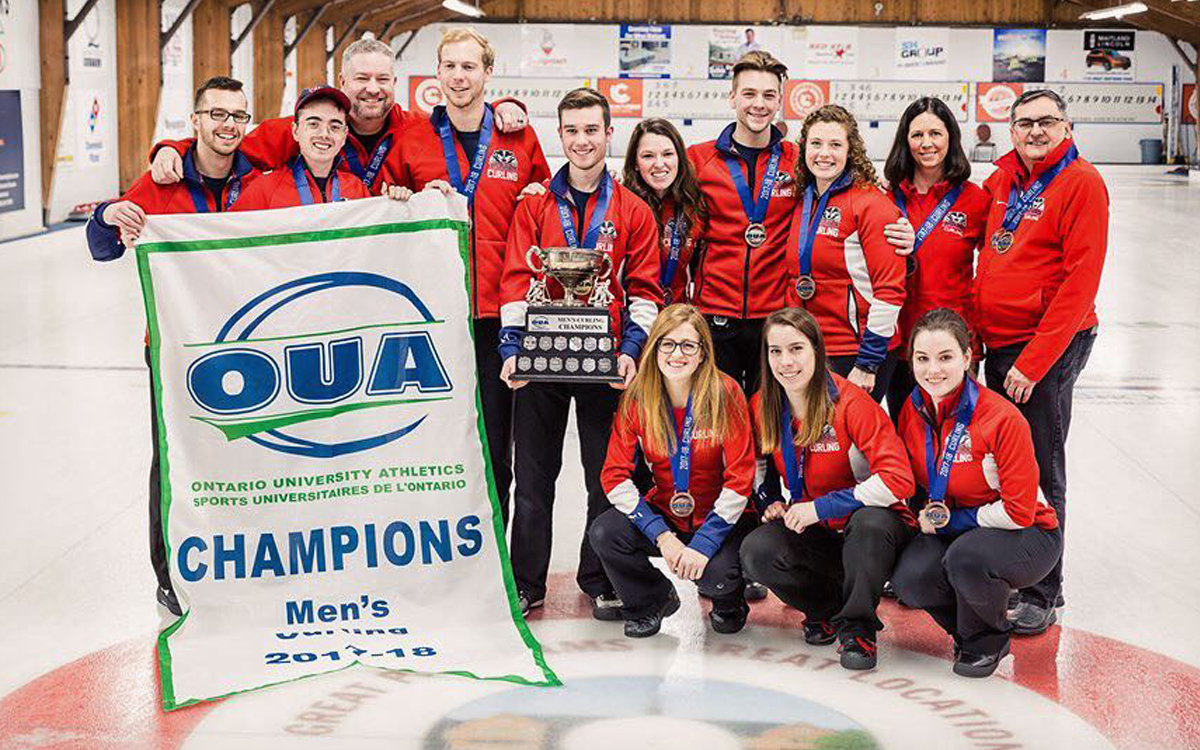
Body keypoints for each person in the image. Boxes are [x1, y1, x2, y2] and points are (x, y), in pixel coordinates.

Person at [85, 75, 264, 617]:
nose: (228, 125)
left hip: (249, 347)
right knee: (174, 456)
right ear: (195, 121)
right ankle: (168, 572)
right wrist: (107, 215)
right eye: (217, 114)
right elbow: (101, 247)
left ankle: (243, 559)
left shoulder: (262, 179)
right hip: (174, 345)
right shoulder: (159, 182)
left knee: (248, 454)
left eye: (238, 116)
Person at [497, 88, 662, 619]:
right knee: (534, 477)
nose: (582, 140)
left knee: (603, 475)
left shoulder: (633, 210)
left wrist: (632, 351)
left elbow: (646, 291)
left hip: (604, 362)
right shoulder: (535, 203)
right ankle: (527, 582)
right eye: (572, 130)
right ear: (560, 134)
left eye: (592, 130)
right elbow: (517, 280)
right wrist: (511, 348)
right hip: (543, 360)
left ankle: (599, 578)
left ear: (609, 134)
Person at [389, 28, 550, 524]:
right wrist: (400, 198)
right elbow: (381, 201)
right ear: (437, 73)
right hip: (433, 316)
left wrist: (539, 192)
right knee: (432, 432)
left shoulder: (517, 135)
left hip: (499, 315)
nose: (459, 76)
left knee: (496, 439)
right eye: (450, 66)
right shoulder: (412, 137)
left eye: (469, 67)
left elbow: (545, 194)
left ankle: (494, 540)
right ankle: (436, 535)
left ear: (487, 73)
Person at [975, 89, 1107, 634]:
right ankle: (1015, 565)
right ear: (1010, 130)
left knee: (1041, 466)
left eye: (1047, 122)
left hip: (1044, 349)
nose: (1035, 131)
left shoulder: (1082, 184)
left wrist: (1033, 363)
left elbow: (1080, 284)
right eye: (1024, 122)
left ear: (1067, 126)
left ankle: (1043, 591)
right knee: (1003, 465)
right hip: (1001, 345)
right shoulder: (1003, 180)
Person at [740, 308, 915, 670]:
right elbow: (758, 462)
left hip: (872, 535)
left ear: (817, 351)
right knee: (757, 550)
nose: (786, 361)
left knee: (870, 523)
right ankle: (826, 609)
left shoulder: (852, 403)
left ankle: (858, 630)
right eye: (776, 351)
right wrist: (770, 498)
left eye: (796, 349)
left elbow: (899, 479)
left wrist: (822, 507)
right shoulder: (762, 404)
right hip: (818, 531)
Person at [891, 309, 1061, 677]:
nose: (933, 370)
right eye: (922, 359)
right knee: (909, 578)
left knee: (966, 558)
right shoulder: (913, 408)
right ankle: (967, 631)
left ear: (968, 358)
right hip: (959, 525)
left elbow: (1019, 512)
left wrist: (954, 522)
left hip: (1029, 532)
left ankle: (989, 639)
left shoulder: (1001, 418)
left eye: (945, 357)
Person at [147, 38, 531, 195]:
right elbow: (225, 145)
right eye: (361, 78)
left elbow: (467, 119)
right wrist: (174, 147)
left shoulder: (416, 128)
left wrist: (506, 107)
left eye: (382, 79)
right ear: (342, 79)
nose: (372, 88)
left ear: (395, 82)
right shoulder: (302, 127)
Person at [590, 305, 756, 637]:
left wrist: (706, 543)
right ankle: (650, 600)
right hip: (667, 515)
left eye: (687, 345)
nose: (676, 354)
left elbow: (741, 476)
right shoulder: (638, 397)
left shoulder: (726, 393)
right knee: (605, 532)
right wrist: (661, 535)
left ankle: (728, 599)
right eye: (667, 343)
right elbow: (614, 475)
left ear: (702, 354)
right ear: (654, 348)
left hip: (718, 518)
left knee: (716, 577)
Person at [785, 104, 905, 403]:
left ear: (851, 150)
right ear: (804, 149)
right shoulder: (803, 199)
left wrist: (868, 363)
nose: (824, 153)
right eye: (816, 143)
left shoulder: (870, 203)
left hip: (855, 351)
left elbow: (890, 291)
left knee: (846, 445)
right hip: (810, 346)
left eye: (835, 144)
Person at [882, 97, 990, 423]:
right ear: (905, 140)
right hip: (900, 342)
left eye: (935, 134)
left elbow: (991, 275)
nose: (926, 144)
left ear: (950, 138)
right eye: (917, 135)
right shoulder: (885, 198)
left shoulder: (975, 200)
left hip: (953, 343)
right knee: (906, 435)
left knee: (954, 439)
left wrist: (976, 345)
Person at [230, 87, 376, 209]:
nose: (324, 134)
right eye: (313, 124)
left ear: (344, 136)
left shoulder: (357, 190)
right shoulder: (264, 190)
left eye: (335, 126)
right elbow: (229, 238)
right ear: (296, 131)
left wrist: (395, 201)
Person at [622, 118, 706, 307]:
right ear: (635, 163)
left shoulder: (693, 204)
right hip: (633, 321)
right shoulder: (622, 205)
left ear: (679, 158)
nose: (659, 164)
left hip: (677, 320)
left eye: (667, 154)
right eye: (648, 156)